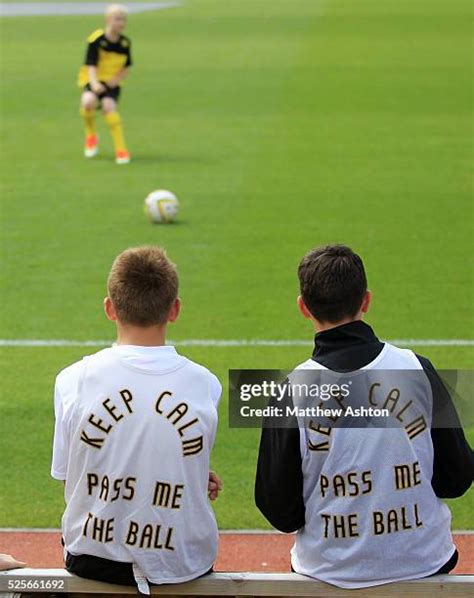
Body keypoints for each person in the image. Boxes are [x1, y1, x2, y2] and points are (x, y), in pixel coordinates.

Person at [255, 244, 473, 589]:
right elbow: (457, 478)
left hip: (328, 572)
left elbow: (280, 511)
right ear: (366, 301)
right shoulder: (418, 369)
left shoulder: (292, 391)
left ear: (303, 307)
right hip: (424, 563)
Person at [51, 246, 222, 593]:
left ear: (109, 308)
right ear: (174, 310)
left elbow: (70, 475)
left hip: (93, 559)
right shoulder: (205, 384)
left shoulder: (72, 379)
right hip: (182, 561)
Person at [77, 4, 132, 164]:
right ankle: (91, 135)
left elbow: (127, 66)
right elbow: (91, 64)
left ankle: (121, 149)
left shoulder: (125, 44)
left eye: (123, 20)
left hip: (112, 82)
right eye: (117, 19)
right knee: (88, 102)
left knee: (109, 106)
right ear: (108, 20)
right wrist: (94, 84)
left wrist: (115, 81)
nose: (121, 23)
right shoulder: (96, 39)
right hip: (93, 79)